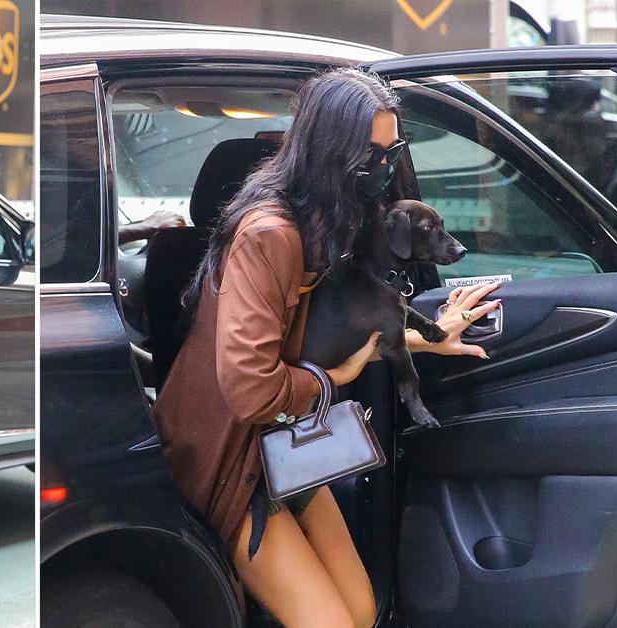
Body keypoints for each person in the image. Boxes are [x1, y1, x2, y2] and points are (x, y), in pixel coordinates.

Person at [152, 67, 501, 628]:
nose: (384, 170)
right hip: (229, 458)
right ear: (331, 152)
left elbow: (333, 329)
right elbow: (249, 388)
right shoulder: (270, 233)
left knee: (361, 611)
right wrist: (330, 381)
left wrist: (427, 338)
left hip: (286, 446)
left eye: (394, 152)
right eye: (373, 156)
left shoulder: (332, 222)